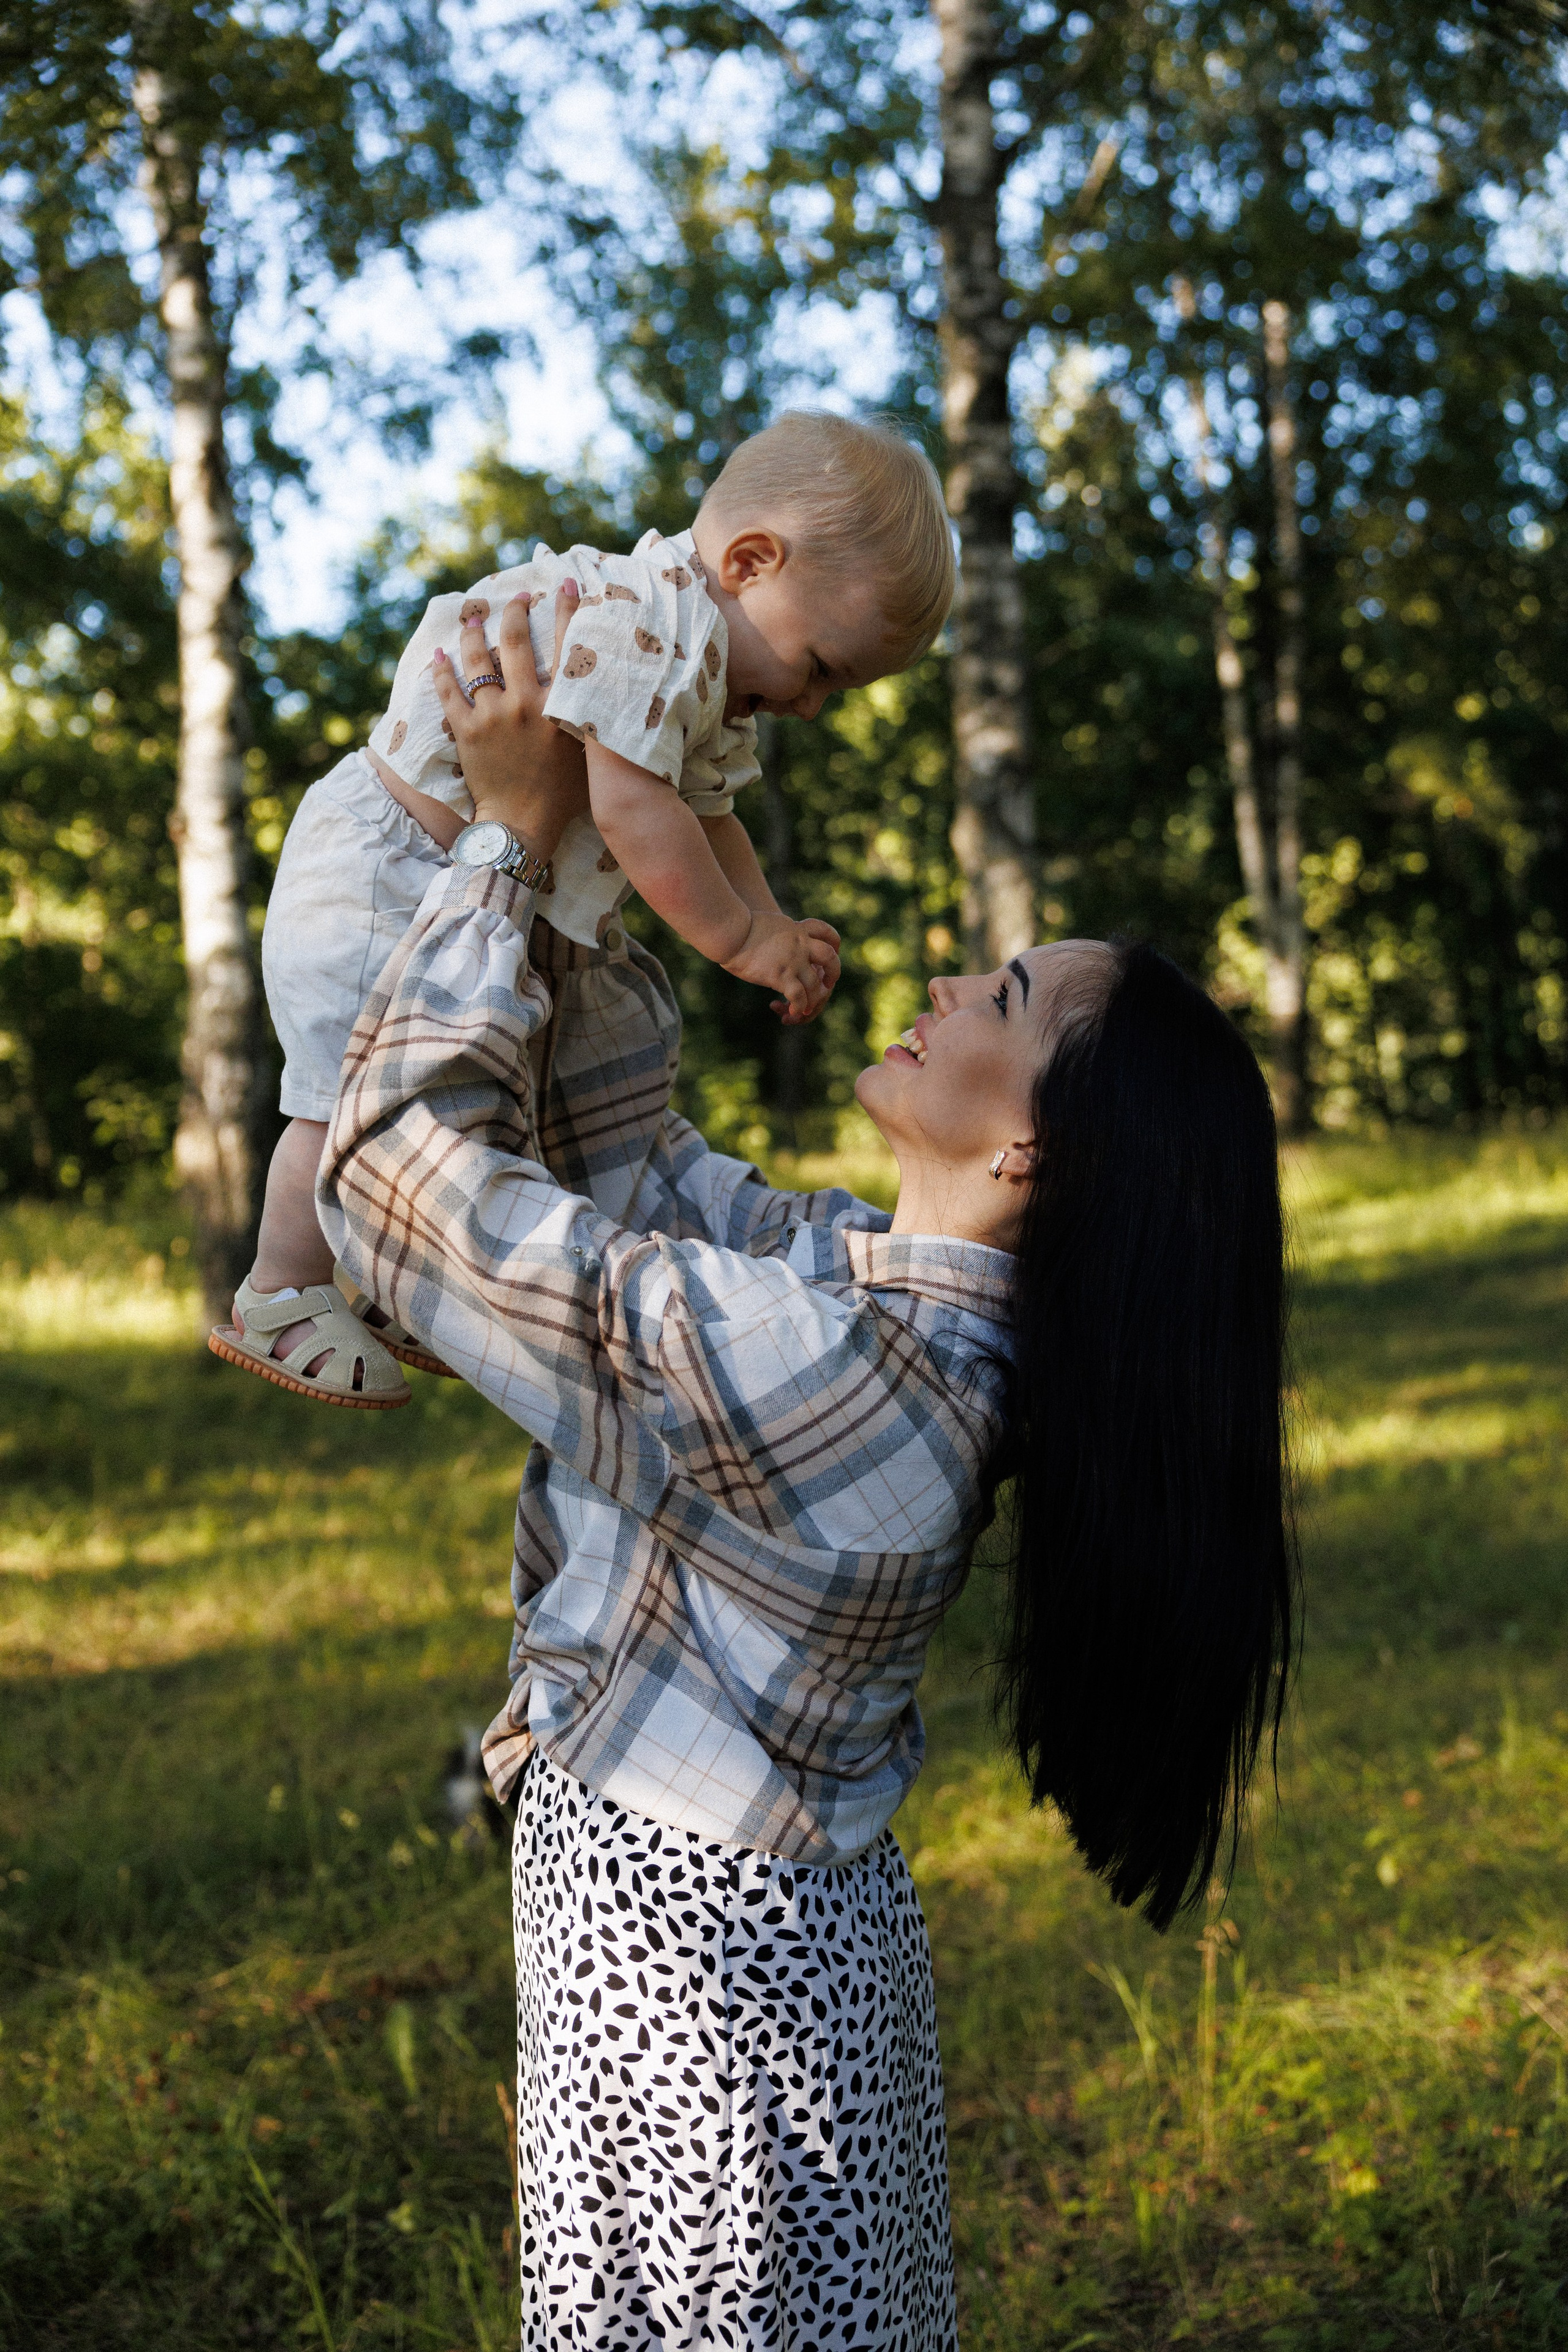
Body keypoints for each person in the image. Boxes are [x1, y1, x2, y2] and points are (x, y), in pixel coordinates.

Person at [310, 591, 1296, 2350]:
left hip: (702, 2018)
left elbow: (396, 1197)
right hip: (722, 1982)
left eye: (998, 994)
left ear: (1034, 1146)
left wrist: (496, 849)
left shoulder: (846, 1380)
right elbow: (631, 1154)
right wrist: (609, 808)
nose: (939, 980)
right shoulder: (860, 1290)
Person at [212, 413, 954, 1406]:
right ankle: (282, 1287)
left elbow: (709, 812)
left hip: (453, 878)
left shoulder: (703, 664)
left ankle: (398, 1280)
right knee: (348, 1090)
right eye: (821, 666)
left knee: (485, 1092)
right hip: (381, 866)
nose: (813, 705)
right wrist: (739, 941)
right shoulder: (652, 623)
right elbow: (633, 804)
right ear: (750, 561)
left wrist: (772, 922)